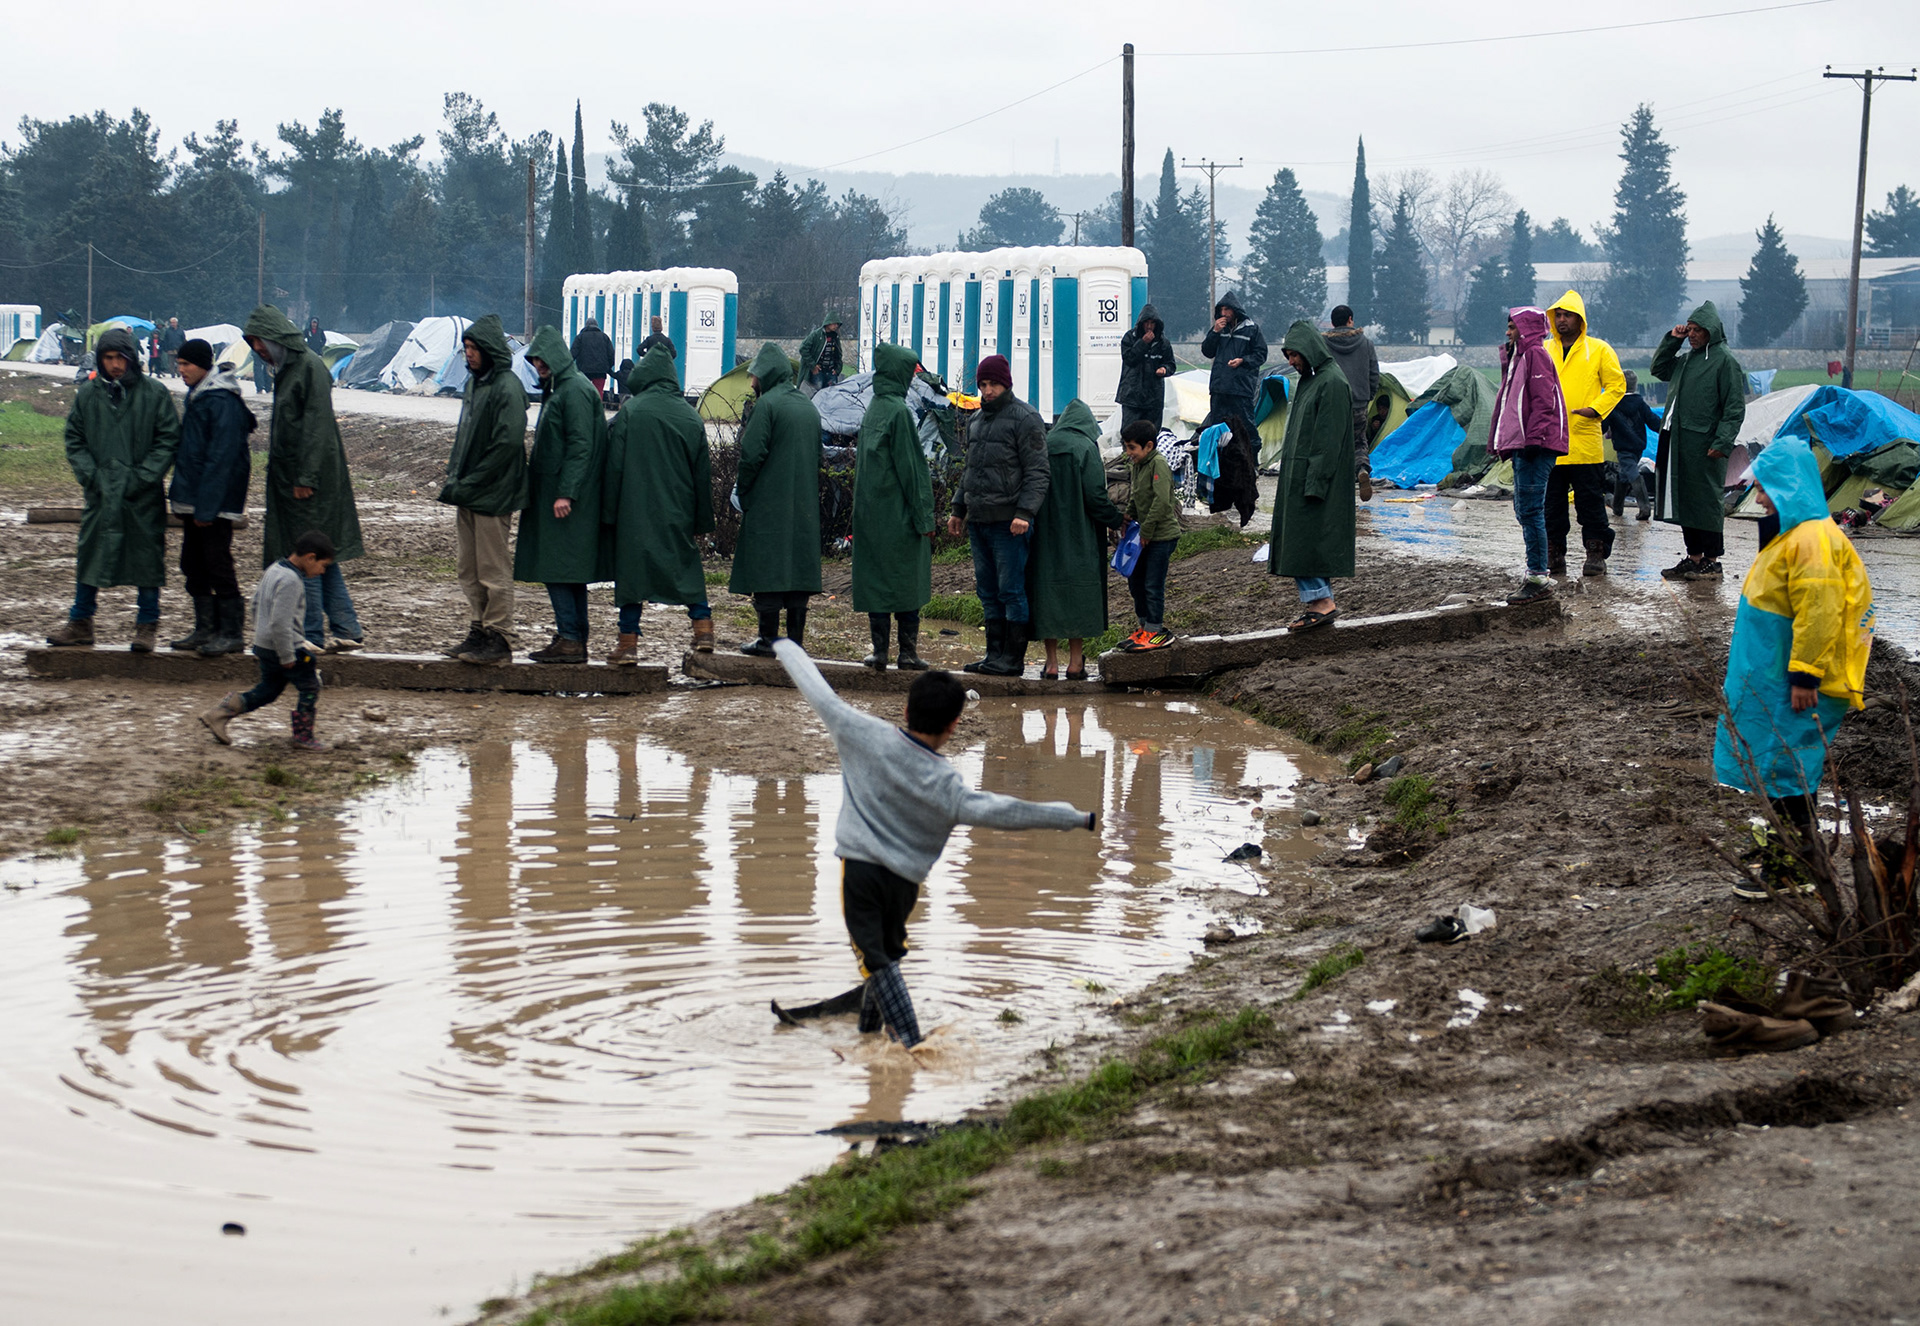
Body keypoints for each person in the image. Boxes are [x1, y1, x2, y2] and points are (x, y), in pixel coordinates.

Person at [772, 639, 1096, 1049]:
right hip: (904, 885)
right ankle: (868, 1034)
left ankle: (912, 1046)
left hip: (861, 876)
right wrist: (1073, 818)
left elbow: (817, 690)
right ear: (953, 725)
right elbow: (1009, 812)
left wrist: (785, 646)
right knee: (886, 953)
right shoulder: (949, 787)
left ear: (906, 712)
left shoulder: (861, 733)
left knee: (877, 960)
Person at [1712, 437, 1873, 900]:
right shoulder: (1795, 534)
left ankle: (1794, 866)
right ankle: (1784, 851)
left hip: (1795, 681)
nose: (1758, 498)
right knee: (1775, 765)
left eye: (1764, 488)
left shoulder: (1811, 541)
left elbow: (1820, 611)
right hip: (1775, 674)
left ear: (1787, 487)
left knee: (1786, 768)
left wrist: (1806, 675)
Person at [45, 325, 180, 651]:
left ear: (132, 358)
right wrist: (92, 477)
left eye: (121, 357)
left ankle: (146, 626)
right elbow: (74, 439)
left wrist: (144, 477)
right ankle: (80, 621)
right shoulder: (88, 395)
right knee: (90, 554)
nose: (115, 364)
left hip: (142, 496)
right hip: (101, 494)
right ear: (100, 359)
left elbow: (167, 440)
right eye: (108, 357)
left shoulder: (154, 394)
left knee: (146, 559)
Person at [603, 345, 715, 660]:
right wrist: (702, 521)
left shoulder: (631, 411)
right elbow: (702, 475)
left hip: (635, 512)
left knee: (632, 575)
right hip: (678, 510)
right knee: (686, 569)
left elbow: (615, 468)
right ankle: (703, 628)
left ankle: (628, 644)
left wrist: (609, 513)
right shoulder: (691, 418)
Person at [947, 353, 1048, 676]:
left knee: (1011, 589)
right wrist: (958, 508)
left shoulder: (1025, 418)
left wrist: (1025, 513)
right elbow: (971, 470)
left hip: (1010, 523)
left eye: (993, 384)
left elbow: (1037, 471)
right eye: (983, 384)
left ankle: (1013, 659)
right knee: (987, 590)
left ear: (1006, 383)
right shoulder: (976, 421)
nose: (987, 391)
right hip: (978, 520)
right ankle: (993, 655)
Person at [515, 325, 611, 663]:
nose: (538, 364)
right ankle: (573, 636)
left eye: (542, 358)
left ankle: (570, 638)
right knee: (570, 571)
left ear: (556, 356)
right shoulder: (564, 388)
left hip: (567, 500)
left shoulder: (572, 391)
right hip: (560, 496)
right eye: (535, 360)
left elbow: (581, 446)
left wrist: (566, 493)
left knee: (557, 567)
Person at [438, 315, 529, 667]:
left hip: (493, 493)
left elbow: (505, 445)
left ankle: (499, 637)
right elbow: (466, 437)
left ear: (490, 350)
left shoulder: (507, 387)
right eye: (466, 348)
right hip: (468, 490)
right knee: (468, 568)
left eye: (475, 349)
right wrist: (456, 477)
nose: (469, 355)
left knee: (492, 568)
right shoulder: (476, 384)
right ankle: (478, 628)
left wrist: (471, 480)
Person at [200, 529, 337, 754]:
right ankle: (303, 737)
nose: (322, 572)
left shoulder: (274, 569)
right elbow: (280, 623)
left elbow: (256, 605)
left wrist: (260, 636)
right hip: (284, 647)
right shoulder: (292, 580)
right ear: (310, 557)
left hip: (264, 644)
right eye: (323, 566)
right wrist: (287, 655)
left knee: (268, 690)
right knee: (310, 686)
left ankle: (219, 713)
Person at [730, 342, 823, 656]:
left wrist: (742, 490)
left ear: (765, 375)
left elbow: (751, 455)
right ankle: (795, 643)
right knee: (798, 569)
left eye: (754, 375)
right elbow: (818, 457)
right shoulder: (808, 407)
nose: (752, 381)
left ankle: (768, 639)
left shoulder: (767, 405)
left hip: (769, 504)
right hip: (805, 505)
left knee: (767, 567)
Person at [168, 339, 256, 655]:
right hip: (197, 500)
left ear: (203, 366)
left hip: (214, 505)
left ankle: (231, 632)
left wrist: (207, 507)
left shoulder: (220, 401)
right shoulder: (200, 396)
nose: (180, 371)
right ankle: (205, 628)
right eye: (178, 365)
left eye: (186, 365)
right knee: (192, 562)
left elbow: (221, 459)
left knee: (217, 563)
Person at [1029, 399, 1127, 679]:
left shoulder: (1045, 443)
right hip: (1079, 534)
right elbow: (1096, 496)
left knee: (1047, 592)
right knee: (1079, 594)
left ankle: (1050, 664)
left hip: (1044, 534)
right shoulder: (1085, 447)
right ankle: (1075, 663)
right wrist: (1115, 519)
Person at [1267, 320, 1354, 628]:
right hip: (1299, 476)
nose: (1290, 361)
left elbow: (1328, 441)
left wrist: (1315, 482)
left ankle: (1322, 602)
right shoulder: (1312, 379)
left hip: (1313, 480)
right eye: (1288, 355)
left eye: (1294, 354)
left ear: (1308, 349)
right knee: (1303, 542)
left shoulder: (1331, 383)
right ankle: (1320, 599)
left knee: (1305, 542)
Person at [852, 343, 934, 671]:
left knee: (877, 583)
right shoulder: (899, 412)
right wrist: (924, 516)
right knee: (905, 584)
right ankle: (908, 654)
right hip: (899, 517)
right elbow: (912, 471)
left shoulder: (874, 407)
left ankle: (880, 653)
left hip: (871, 517)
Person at [1652, 301, 1746, 581]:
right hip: (1678, 438)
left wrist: (1723, 442)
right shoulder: (1686, 359)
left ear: (1711, 331)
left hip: (1706, 442)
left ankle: (1712, 560)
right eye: (1689, 329)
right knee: (1686, 499)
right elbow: (1658, 368)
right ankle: (1693, 558)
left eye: (1697, 330)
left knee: (1707, 500)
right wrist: (1673, 340)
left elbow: (1734, 408)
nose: (1692, 334)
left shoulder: (1725, 361)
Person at [1486, 309, 1569, 604]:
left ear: (1526, 329)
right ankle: (1536, 572)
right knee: (1525, 510)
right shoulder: (1521, 358)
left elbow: (1544, 402)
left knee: (1532, 511)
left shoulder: (1536, 355)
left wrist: (1533, 440)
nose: (1508, 333)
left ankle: (1537, 577)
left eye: (1512, 327)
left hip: (1536, 447)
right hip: (1526, 445)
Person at [1543, 290, 1626, 578]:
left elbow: (1617, 385)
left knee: (1590, 503)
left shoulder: (1599, 349)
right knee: (1551, 506)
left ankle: (1595, 552)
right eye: (1558, 316)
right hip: (1550, 442)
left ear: (1581, 320)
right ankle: (1554, 553)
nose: (1562, 320)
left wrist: (1596, 409)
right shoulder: (1544, 350)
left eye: (1568, 315)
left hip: (1584, 442)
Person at [1117, 419, 1180, 652]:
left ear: (1149, 446)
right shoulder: (1138, 465)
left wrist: (1146, 530)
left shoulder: (1158, 465)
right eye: (1126, 447)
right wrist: (1128, 516)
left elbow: (1162, 502)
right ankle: (1144, 627)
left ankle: (1155, 632)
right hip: (1143, 535)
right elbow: (1136, 495)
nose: (1128, 452)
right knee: (1136, 583)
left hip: (1161, 537)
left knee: (1152, 585)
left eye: (1132, 447)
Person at [1322, 305, 1380, 502]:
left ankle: (1333, 484)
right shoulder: (1366, 343)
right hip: (1359, 402)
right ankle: (1362, 469)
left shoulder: (1323, 343)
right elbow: (1374, 373)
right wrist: (1369, 394)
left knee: (1332, 442)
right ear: (1350, 320)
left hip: (1332, 402)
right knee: (1358, 442)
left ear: (1332, 323)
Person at [1199, 292, 1267, 431]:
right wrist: (1215, 332)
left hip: (1241, 389)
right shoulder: (1218, 329)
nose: (1224, 313)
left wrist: (1242, 360)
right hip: (1219, 389)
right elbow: (1207, 351)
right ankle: (1220, 453)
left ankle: (1250, 453)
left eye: (1227, 309)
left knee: (1245, 430)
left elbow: (1261, 355)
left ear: (1235, 310)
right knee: (1218, 430)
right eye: (1221, 310)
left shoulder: (1251, 329)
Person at [1606, 368, 1661, 521]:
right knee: (1624, 473)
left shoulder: (1613, 405)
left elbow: (1603, 426)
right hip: (1638, 446)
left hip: (1623, 446)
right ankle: (1617, 506)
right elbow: (1653, 422)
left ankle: (1644, 507)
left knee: (1631, 473)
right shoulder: (1641, 404)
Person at [1116, 304, 1175, 432]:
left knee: (1151, 434)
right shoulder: (1129, 338)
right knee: (1129, 433)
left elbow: (1171, 364)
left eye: (1152, 323)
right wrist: (1143, 343)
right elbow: (1129, 359)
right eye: (1146, 323)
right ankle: (1128, 452)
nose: (1149, 326)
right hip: (1132, 396)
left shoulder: (1163, 343)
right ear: (1141, 323)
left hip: (1154, 397)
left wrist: (1164, 369)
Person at [569, 316, 616, 397]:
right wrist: (607, 367)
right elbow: (611, 354)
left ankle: (585, 408)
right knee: (598, 393)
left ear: (585, 326)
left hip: (583, 371)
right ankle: (597, 408)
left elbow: (572, 354)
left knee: (583, 392)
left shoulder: (580, 337)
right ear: (597, 326)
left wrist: (572, 368)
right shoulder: (605, 337)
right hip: (600, 371)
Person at [798, 317, 844, 391]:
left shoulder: (835, 337)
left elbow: (839, 355)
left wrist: (837, 369)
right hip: (818, 371)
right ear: (828, 323)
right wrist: (813, 365)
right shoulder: (816, 335)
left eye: (837, 324)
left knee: (831, 394)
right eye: (834, 323)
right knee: (817, 393)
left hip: (831, 372)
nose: (836, 326)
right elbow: (803, 349)